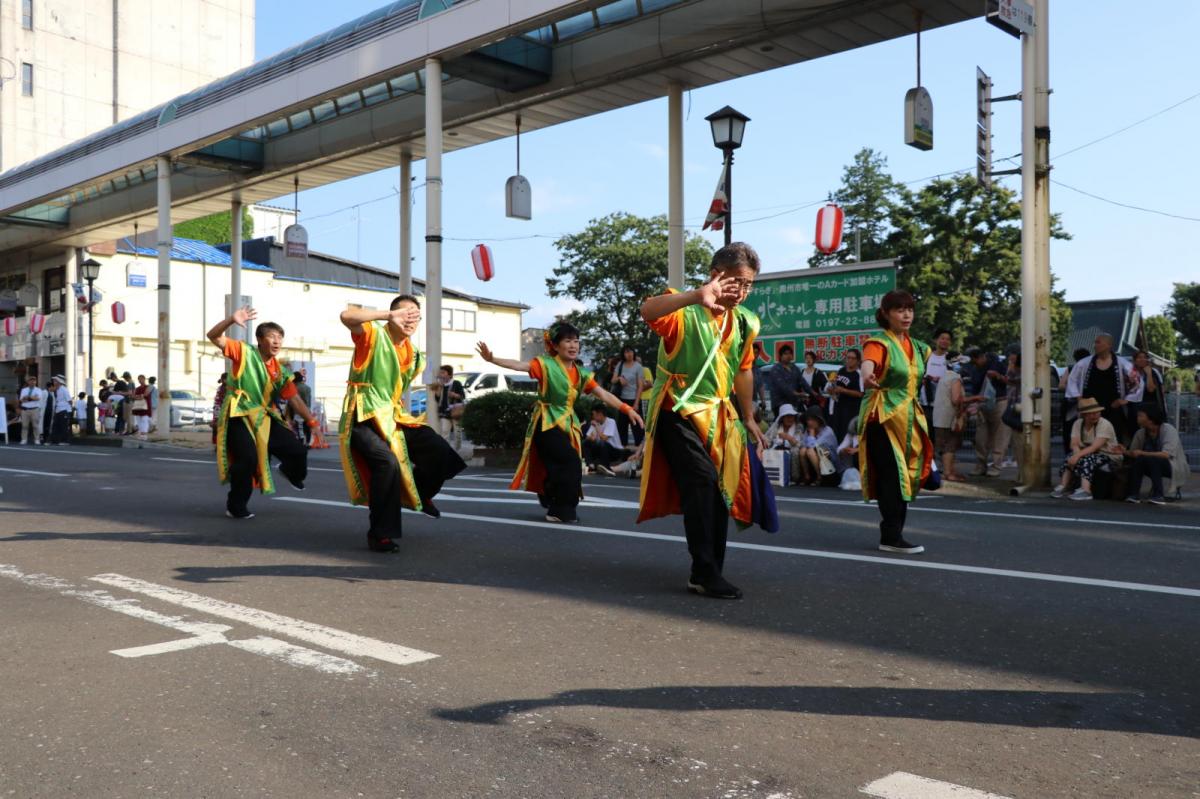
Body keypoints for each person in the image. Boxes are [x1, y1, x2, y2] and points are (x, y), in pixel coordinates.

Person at [638, 242, 776, 600]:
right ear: (717, 274)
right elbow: (648, 310)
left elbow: (743, 371)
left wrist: (748, 416)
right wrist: (696, 295)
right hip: (677, 410)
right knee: (700, 482)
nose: (742, 291)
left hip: (719, 414)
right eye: (736, 282)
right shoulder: (684, 307)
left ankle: (710, 569)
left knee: (720, 491)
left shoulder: (745, 322)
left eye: (749, 285)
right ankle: (704, 571)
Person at [478, 321, 642, 524]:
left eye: (576, 341)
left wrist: (627, 409)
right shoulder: (545, 364)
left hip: (568, 424)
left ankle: (551, 495)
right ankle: (558, 508)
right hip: (546, 422)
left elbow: (603, 394)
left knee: (561, 465)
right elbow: (520, 365)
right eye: (568, 341)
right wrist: (492, 359)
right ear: (555, 346)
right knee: (570, 462)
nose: (573, 345)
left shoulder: (582, 373)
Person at [339, 295, 466, 553]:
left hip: (393, 415)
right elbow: (346, 316)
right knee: (387, 464)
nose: (411, 319)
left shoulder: (415, 355)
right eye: (406, 314)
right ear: (393, 314)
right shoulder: (372, 335)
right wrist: (386, 314)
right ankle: (380, 534)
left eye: (415, 315)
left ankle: (419, 491)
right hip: (362, 415)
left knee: (441, 452)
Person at [207, 306, 318, 520]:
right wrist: (231, 319)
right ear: (259, 339)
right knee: (247, 459)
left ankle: (290, 471)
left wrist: (312, 422)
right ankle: (236, 505)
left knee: (297, 450)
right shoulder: (244, 352)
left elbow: (294, 398)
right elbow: (213, 336)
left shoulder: (281, 371)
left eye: (280, 337)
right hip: (238, 414)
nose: (276, 341)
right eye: (271, 337)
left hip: (264, 415)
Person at [858, 290, 933, 555]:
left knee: (907, 473)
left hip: (910, 417)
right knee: (893, 476)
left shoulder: (922, 348)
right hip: (884, 417)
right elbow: (868, 365)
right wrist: (867, 376)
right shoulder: (878, 343)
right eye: (900, 309)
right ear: (887, 314)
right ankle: (891, 535)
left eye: (910, 309)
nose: (906, 314)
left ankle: (895, 532)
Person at [1065, 333, 1138, 447]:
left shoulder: (1122, 363)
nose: (1095, 345)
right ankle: (1088, 457)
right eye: (1095, 342)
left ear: (1108, 345)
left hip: (1113, 407)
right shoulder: (1084, 363)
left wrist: (1125, 400)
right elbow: (1072, 380)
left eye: (1098, 342)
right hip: (1090, 408)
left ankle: (1113, 459)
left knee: (1113, 436)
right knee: (1088, 436)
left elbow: (1137, 380)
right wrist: (1079, 398)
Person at [1052, 397, 1121, 501]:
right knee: (1070, 457)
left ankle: (1086, 490)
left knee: (1087, 459)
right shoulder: (1078, 424)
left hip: (1109, 455)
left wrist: (1078, 456)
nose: (1094, 415)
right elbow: (1074, 443)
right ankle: (1063, 486)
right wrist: (1075, 454)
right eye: (1090, 413)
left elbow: (1095, 447)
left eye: (1096, 412)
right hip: (1088, 453)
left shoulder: (1104, 424)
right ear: (1083, 415)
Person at [1120, 405, 1188, 504]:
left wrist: (1142, 453)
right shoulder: (1141, 433)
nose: (1137, 418)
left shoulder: (1168, 429)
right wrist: (1123, 451)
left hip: (1172, 465)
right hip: (1150, 464)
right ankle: (1134, 494)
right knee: (1140, 459)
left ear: (1150, 419)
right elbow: (1134, 452)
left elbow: (1166, 455)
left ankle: (1158, 495)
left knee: (1151, 459)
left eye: (1140, 416)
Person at [963, 347, 1009, 477]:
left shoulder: (997, 364)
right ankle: (981, 464)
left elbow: (1008, 381)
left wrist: (998, 376)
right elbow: (974, 387)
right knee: (980, 437)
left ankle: (996, 465)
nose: (975, 362)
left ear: (982, 356)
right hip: (982, 403)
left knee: (1000, 436)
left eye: (976, 359)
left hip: (999, 401)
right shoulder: (974, 369)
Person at [930, 357, 977, 482]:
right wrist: (976, 398)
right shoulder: (955, 378)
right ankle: (948, 473)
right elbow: (956, 399)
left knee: (946, 445)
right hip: (948, 418)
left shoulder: (945, 377)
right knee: (950, 445)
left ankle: (950, 471)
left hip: (940, 417)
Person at [796, 406, 840, 486]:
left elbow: (813, 446)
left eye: (813, 419)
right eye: (809, 420)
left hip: (830, 461)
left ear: (819, 420)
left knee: (810, 451)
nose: (810, 422)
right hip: (817, 458)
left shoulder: (827, 431)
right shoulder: (807, 430)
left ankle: (820, 477)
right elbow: (803, 444)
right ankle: (807, 476)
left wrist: (812, 434)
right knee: (803, 450)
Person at [1059, 347, 1091, 455]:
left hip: (1070, 403)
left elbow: (1061, 386)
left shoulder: (1071, 368)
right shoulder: (1091, 368)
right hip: (1083, 403)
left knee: (1069, 430)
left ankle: (1069, 452)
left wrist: (1071, 387)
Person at [612, 345, 645, 447]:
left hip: (634, 399)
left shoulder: (638, 367)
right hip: (622, 400)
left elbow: (640, 386)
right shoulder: (620, 365)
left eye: (630, 352)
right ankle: (623, 451)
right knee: (622, 427)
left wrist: (636, 403)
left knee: (637, 427)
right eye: (626, 352)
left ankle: (639, 451)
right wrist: (619, 378)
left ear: (634, 353)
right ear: (623, 354)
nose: (629, 354)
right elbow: (612, 380)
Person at [828, 348, 863, 441]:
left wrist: (844, 390)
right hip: (838, 407)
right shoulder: (841, 370)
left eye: (853, 358)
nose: (850, 360)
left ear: (858, 361)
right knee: (837, 434)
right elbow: (836, 387)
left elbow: (860, 394)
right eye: (848, 357)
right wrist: (832, 389)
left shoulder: (859, 374)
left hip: (851, 410)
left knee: (848, 435)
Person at [764, 403, 802, 482]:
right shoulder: (776, 426)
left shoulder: (799, 427)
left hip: (793, 450)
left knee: (795, 451)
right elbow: (767, 440)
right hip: (778, 451)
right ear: (782, 418)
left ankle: (795, 477)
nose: (790, 419)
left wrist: (789, 438)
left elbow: (800, 444)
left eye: (791, 416)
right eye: (787, 416)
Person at [582, 405, 625, 476]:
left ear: (600, 414)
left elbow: (604, 438)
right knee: (585, 443)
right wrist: (591, 438)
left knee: (602, 443)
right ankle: (590, 464)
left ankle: (606, 466)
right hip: (602, 450)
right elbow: (588, 437)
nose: (593, 417)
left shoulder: (611, 422)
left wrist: (597, 428)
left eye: (594, 415)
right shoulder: (595, 423)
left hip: (615, 451)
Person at [921, 329, 952, 422]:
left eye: (948, 339)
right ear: (935, 340)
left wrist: (942, 379)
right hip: (926, 402)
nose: (945, 341)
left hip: (945, 402)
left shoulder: (952, 359)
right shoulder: (926, 356)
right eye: (942, 338)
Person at [766, 344, 807, 415]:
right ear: (780, 356)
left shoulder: (795, 368)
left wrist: (813, 393)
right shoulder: (776, 369)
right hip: (780, 404)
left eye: (790, 353)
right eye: (785, 354)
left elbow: (803, 382)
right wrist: (796, 394)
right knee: (781, 424)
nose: (788, 355)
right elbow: (782, 386)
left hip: (793, 403)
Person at [432, 365, 466, 447]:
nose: (441, 375)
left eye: (443, 373)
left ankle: (458, 450)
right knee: (444, 432)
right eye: (440, 373)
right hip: (444, 412)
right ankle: (447, 451)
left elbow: (462, 396)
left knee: (457, 432)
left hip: (455, 411)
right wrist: (438, 391)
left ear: (450, 375)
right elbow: (437, 399)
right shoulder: (441, 385)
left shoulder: (456, 383)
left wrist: (454, 395)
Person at [17, 375, 44, 446]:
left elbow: (38, 398)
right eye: (31, 380)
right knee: (24, 425)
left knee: (35, 425)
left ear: (36, 382)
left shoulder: (38, 390)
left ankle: (37, 439)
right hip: (25, 409)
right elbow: (21, 400)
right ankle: (24, 439)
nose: (32, 382)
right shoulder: (24, 390)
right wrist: (32, 398)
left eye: (34, 380)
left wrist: (28, 397)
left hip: (35, 409)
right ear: (28, 382)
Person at [48, 376, 72, 445]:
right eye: (54, 381)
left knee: (64, 426)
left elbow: (69, 400)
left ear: (59, 382)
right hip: (58, 410)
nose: (54, 382)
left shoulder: (64, 389)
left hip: (64, 410)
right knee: (55, 425)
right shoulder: (57, 390)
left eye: (55, 381)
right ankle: (54, 440)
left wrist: (69, 410)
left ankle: (65, 441)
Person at [131, 374, 153, 440]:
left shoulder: (149, 387)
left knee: (144, 419)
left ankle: (144, 434)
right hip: (138, 406)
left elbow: (145, 394)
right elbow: (133, 396)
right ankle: (140, 434)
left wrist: (138, 396)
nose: (140, 380)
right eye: (139, 379)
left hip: (145, 405)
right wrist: (139, 396)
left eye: (141, 379)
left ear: (144, 379)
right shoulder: (137, 388)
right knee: (138, 420)